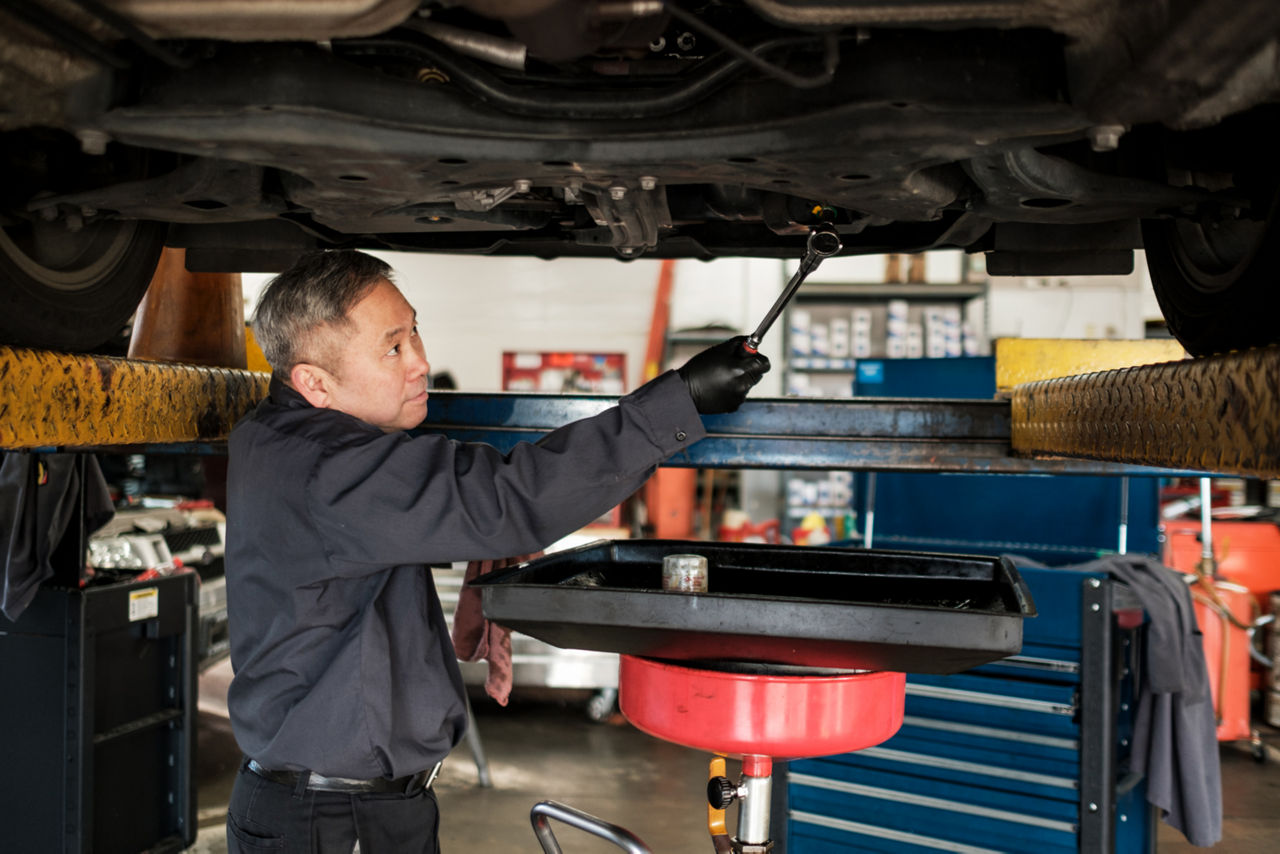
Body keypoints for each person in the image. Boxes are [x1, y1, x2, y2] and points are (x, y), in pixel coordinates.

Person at [223, 249, 770, 853]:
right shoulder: (334, 469)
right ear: (314, 383)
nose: (421, 363)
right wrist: (679, 400)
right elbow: (507, 500)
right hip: (331, 821)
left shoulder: (278, 434)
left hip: (340, 803)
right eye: (393, 349)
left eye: (414, 333)